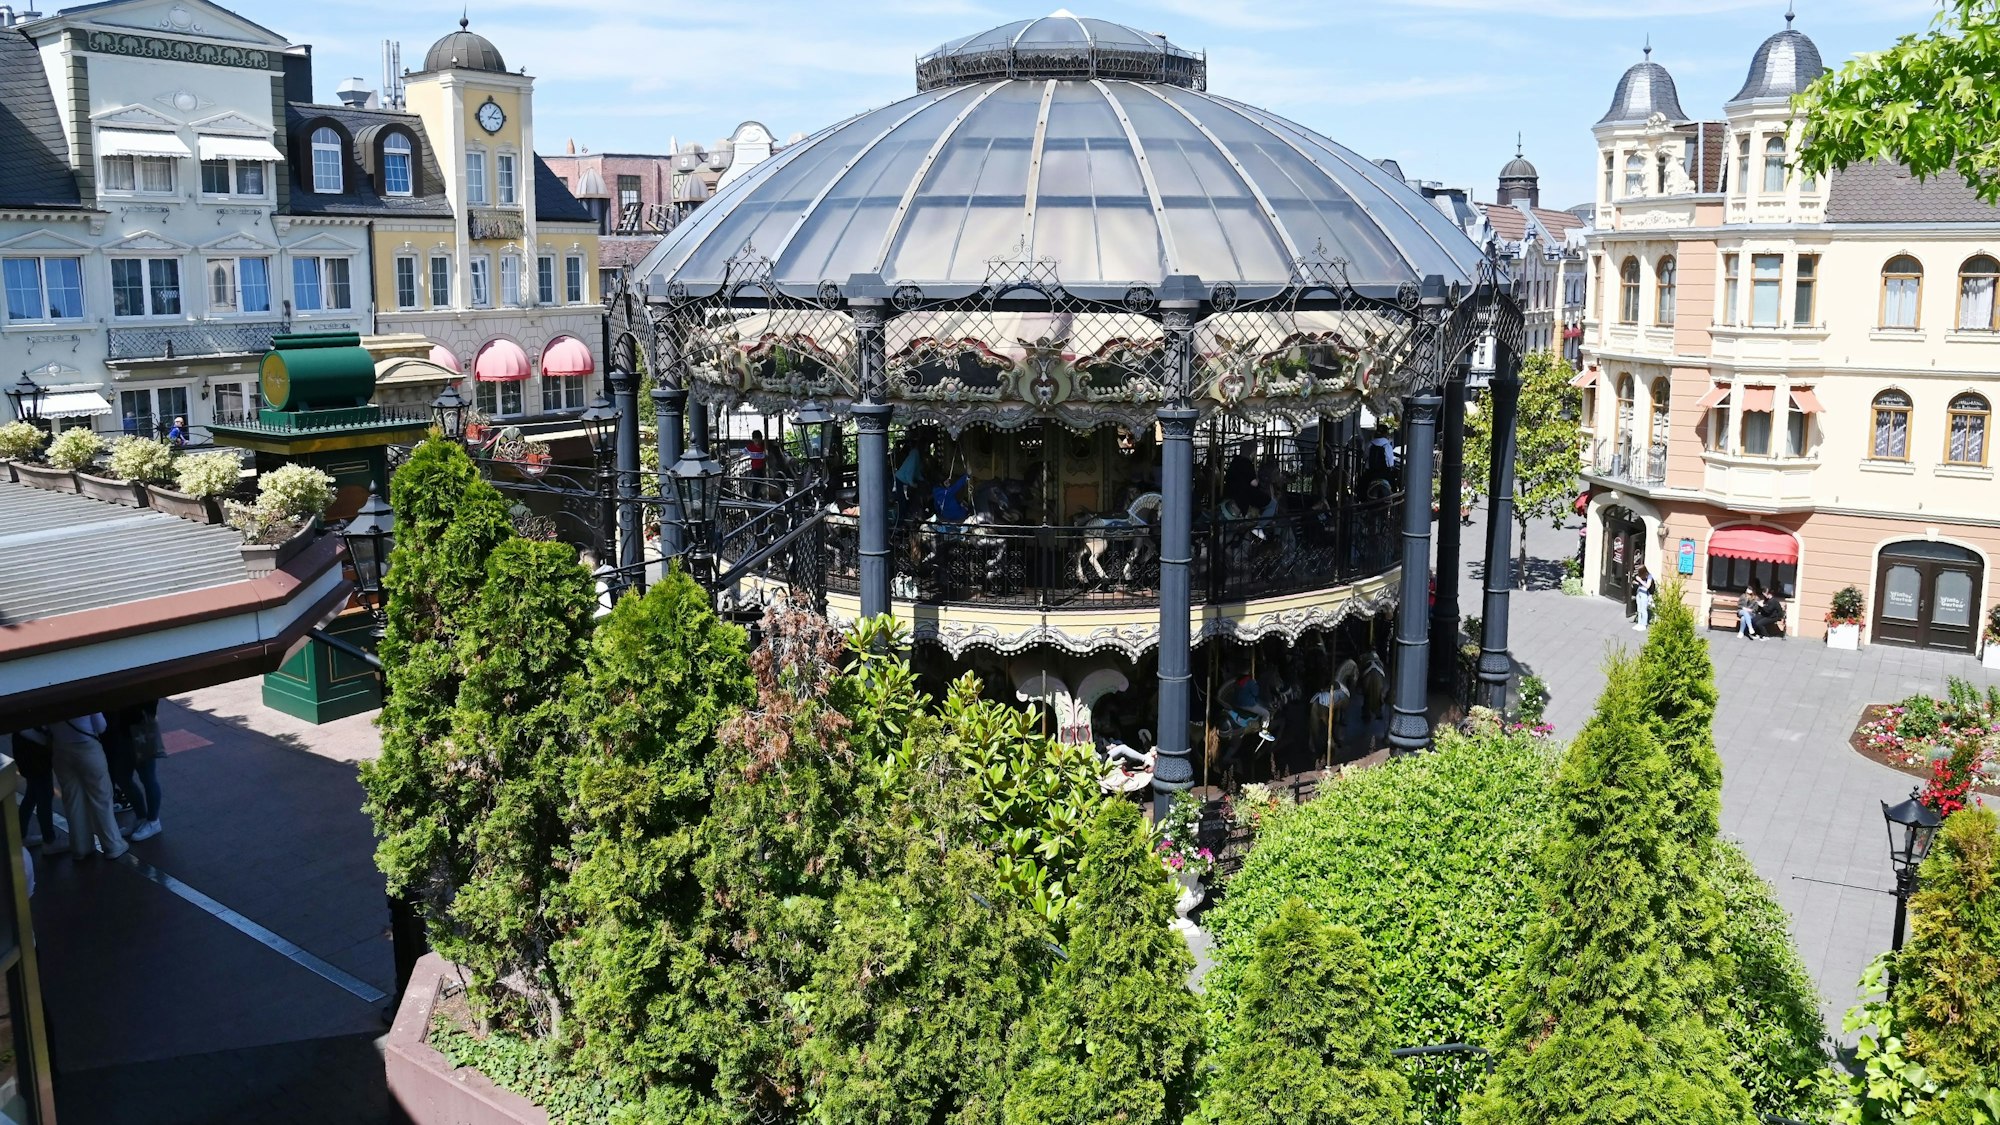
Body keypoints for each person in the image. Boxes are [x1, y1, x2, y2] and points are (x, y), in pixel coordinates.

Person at [48, 713, 126, 861]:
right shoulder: (82, 699)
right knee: (101, 797)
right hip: (87, 747)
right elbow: (101, 726)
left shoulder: (50, 700)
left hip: (60, 749)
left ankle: (80, 847)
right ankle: (112, 845)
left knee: (72, 799)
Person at [104, 703, 163, 841]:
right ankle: (142, 817)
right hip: (124, 727)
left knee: (147, 777)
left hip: (141, 725)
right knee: (122, 776)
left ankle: (153, 821)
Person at [12, 727, 58, 850]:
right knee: (44, 796)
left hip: (28, 756)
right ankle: (49, 840)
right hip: (36, 758)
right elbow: (36, 736)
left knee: (32, 794)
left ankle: (20, 835)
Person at [1631, 564, 1656, 632]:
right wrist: (1635, 582)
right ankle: (1639, 623)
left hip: (1645, 593)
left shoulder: (1649, 576)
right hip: (1639, 591)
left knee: (1643, 609)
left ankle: (1644, 624)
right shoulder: (1640, 575)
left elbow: (1647, 586)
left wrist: (1640, 580)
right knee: (1639, 608)